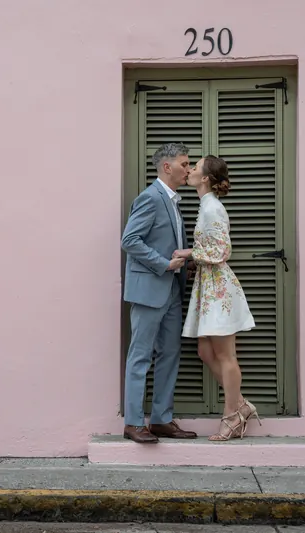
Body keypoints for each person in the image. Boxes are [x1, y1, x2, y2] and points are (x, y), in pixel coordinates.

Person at [172, 155, 259, 441]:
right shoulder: (205, 206)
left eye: (194, 168)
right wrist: (195, 261)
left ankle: (231, 415)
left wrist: (188, 254)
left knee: (225, 355)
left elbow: (221, 252)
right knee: (205, 352)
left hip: (219, 288)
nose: (190, 171)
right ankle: (241, 406)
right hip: (207, 286)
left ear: (206, 178)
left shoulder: (213, 209)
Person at [120, 142, 198, 444]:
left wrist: (182, 267)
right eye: (184, 163)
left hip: (173, 291)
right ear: (167, 167)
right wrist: (164, 264)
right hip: (150, 290)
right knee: (140, 355)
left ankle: (162, 420)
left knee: (170, 354)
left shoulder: (174, 201)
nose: (189, 169)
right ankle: (133, 423)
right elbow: (130, 240)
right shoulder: (150, 198)